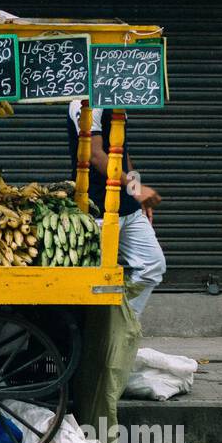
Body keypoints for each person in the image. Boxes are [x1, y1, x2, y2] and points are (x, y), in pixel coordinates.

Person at [66, 100, 165, 315]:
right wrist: (137, 189)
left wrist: (136, 194)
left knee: (152, 265)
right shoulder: (83, 103)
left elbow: (122, 153)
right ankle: (95, 334)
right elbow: (95, 154)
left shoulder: (114, 99)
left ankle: (122, 324)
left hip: (127, 207)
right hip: (97, 207)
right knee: (94, 278)